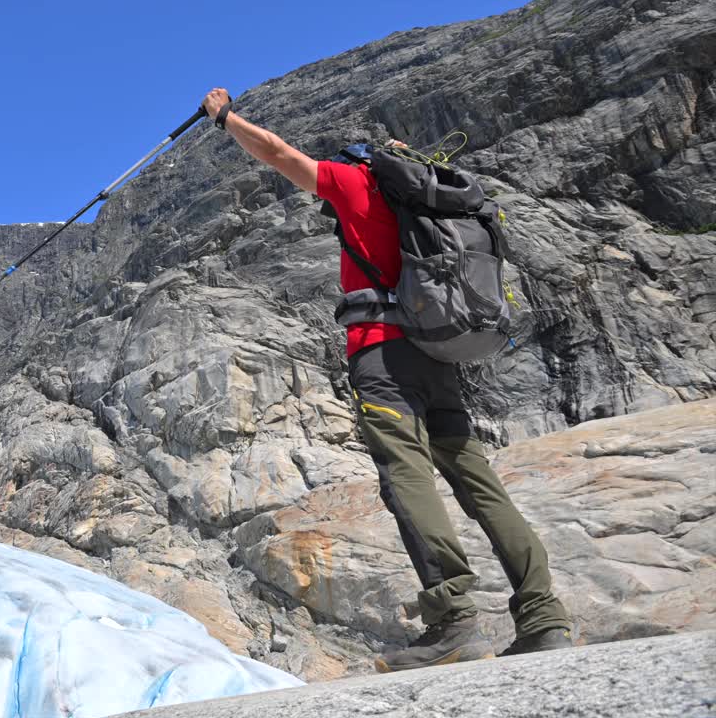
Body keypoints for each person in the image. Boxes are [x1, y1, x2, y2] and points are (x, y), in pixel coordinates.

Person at [200, 88, 574, 672]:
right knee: (478, 483)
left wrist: (224, 118)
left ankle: (451, 619)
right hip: (438, 355)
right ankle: (543, 614)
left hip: (382, 359)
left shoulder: (356, 183)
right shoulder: (430, 208)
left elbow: (276, 153)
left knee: (407, 479)